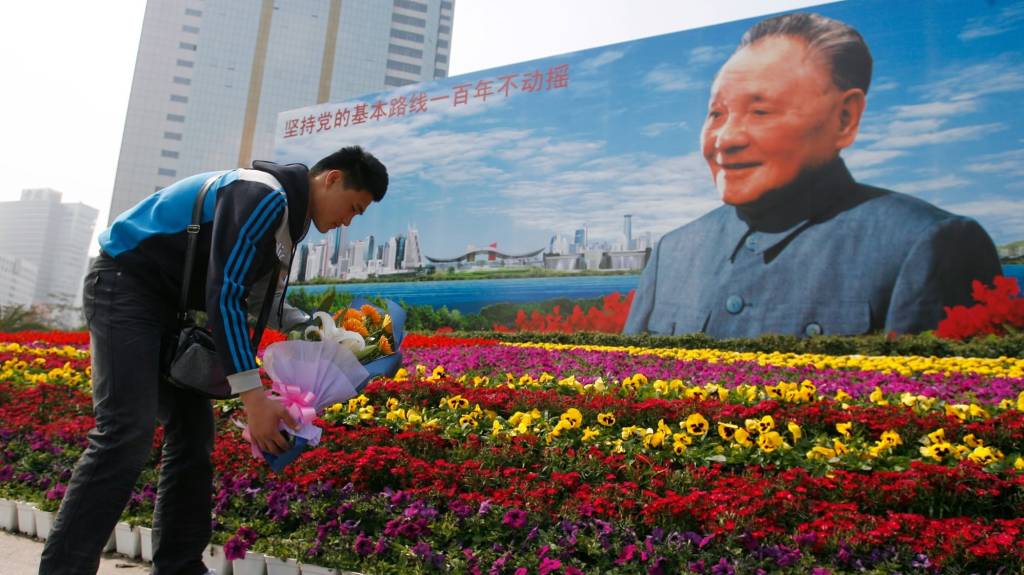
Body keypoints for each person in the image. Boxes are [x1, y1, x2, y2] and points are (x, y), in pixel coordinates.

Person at [39, 146, 388, 574]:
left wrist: (324, 331)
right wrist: (255, 400)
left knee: (193, 433)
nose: (347, 223)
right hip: (124, 285)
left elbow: (264, 302)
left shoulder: (287, 223)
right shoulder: (264, 195)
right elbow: (224, 294)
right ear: (332, 178)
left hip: (166, 307)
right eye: (353, 208)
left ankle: (180, 567)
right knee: (126, 430)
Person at [624, 13, 1001, 338]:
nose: (725, 139)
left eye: (761, 111)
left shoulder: (926, 245)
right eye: (717, 114)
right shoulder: (674, 251)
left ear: (845, 118)